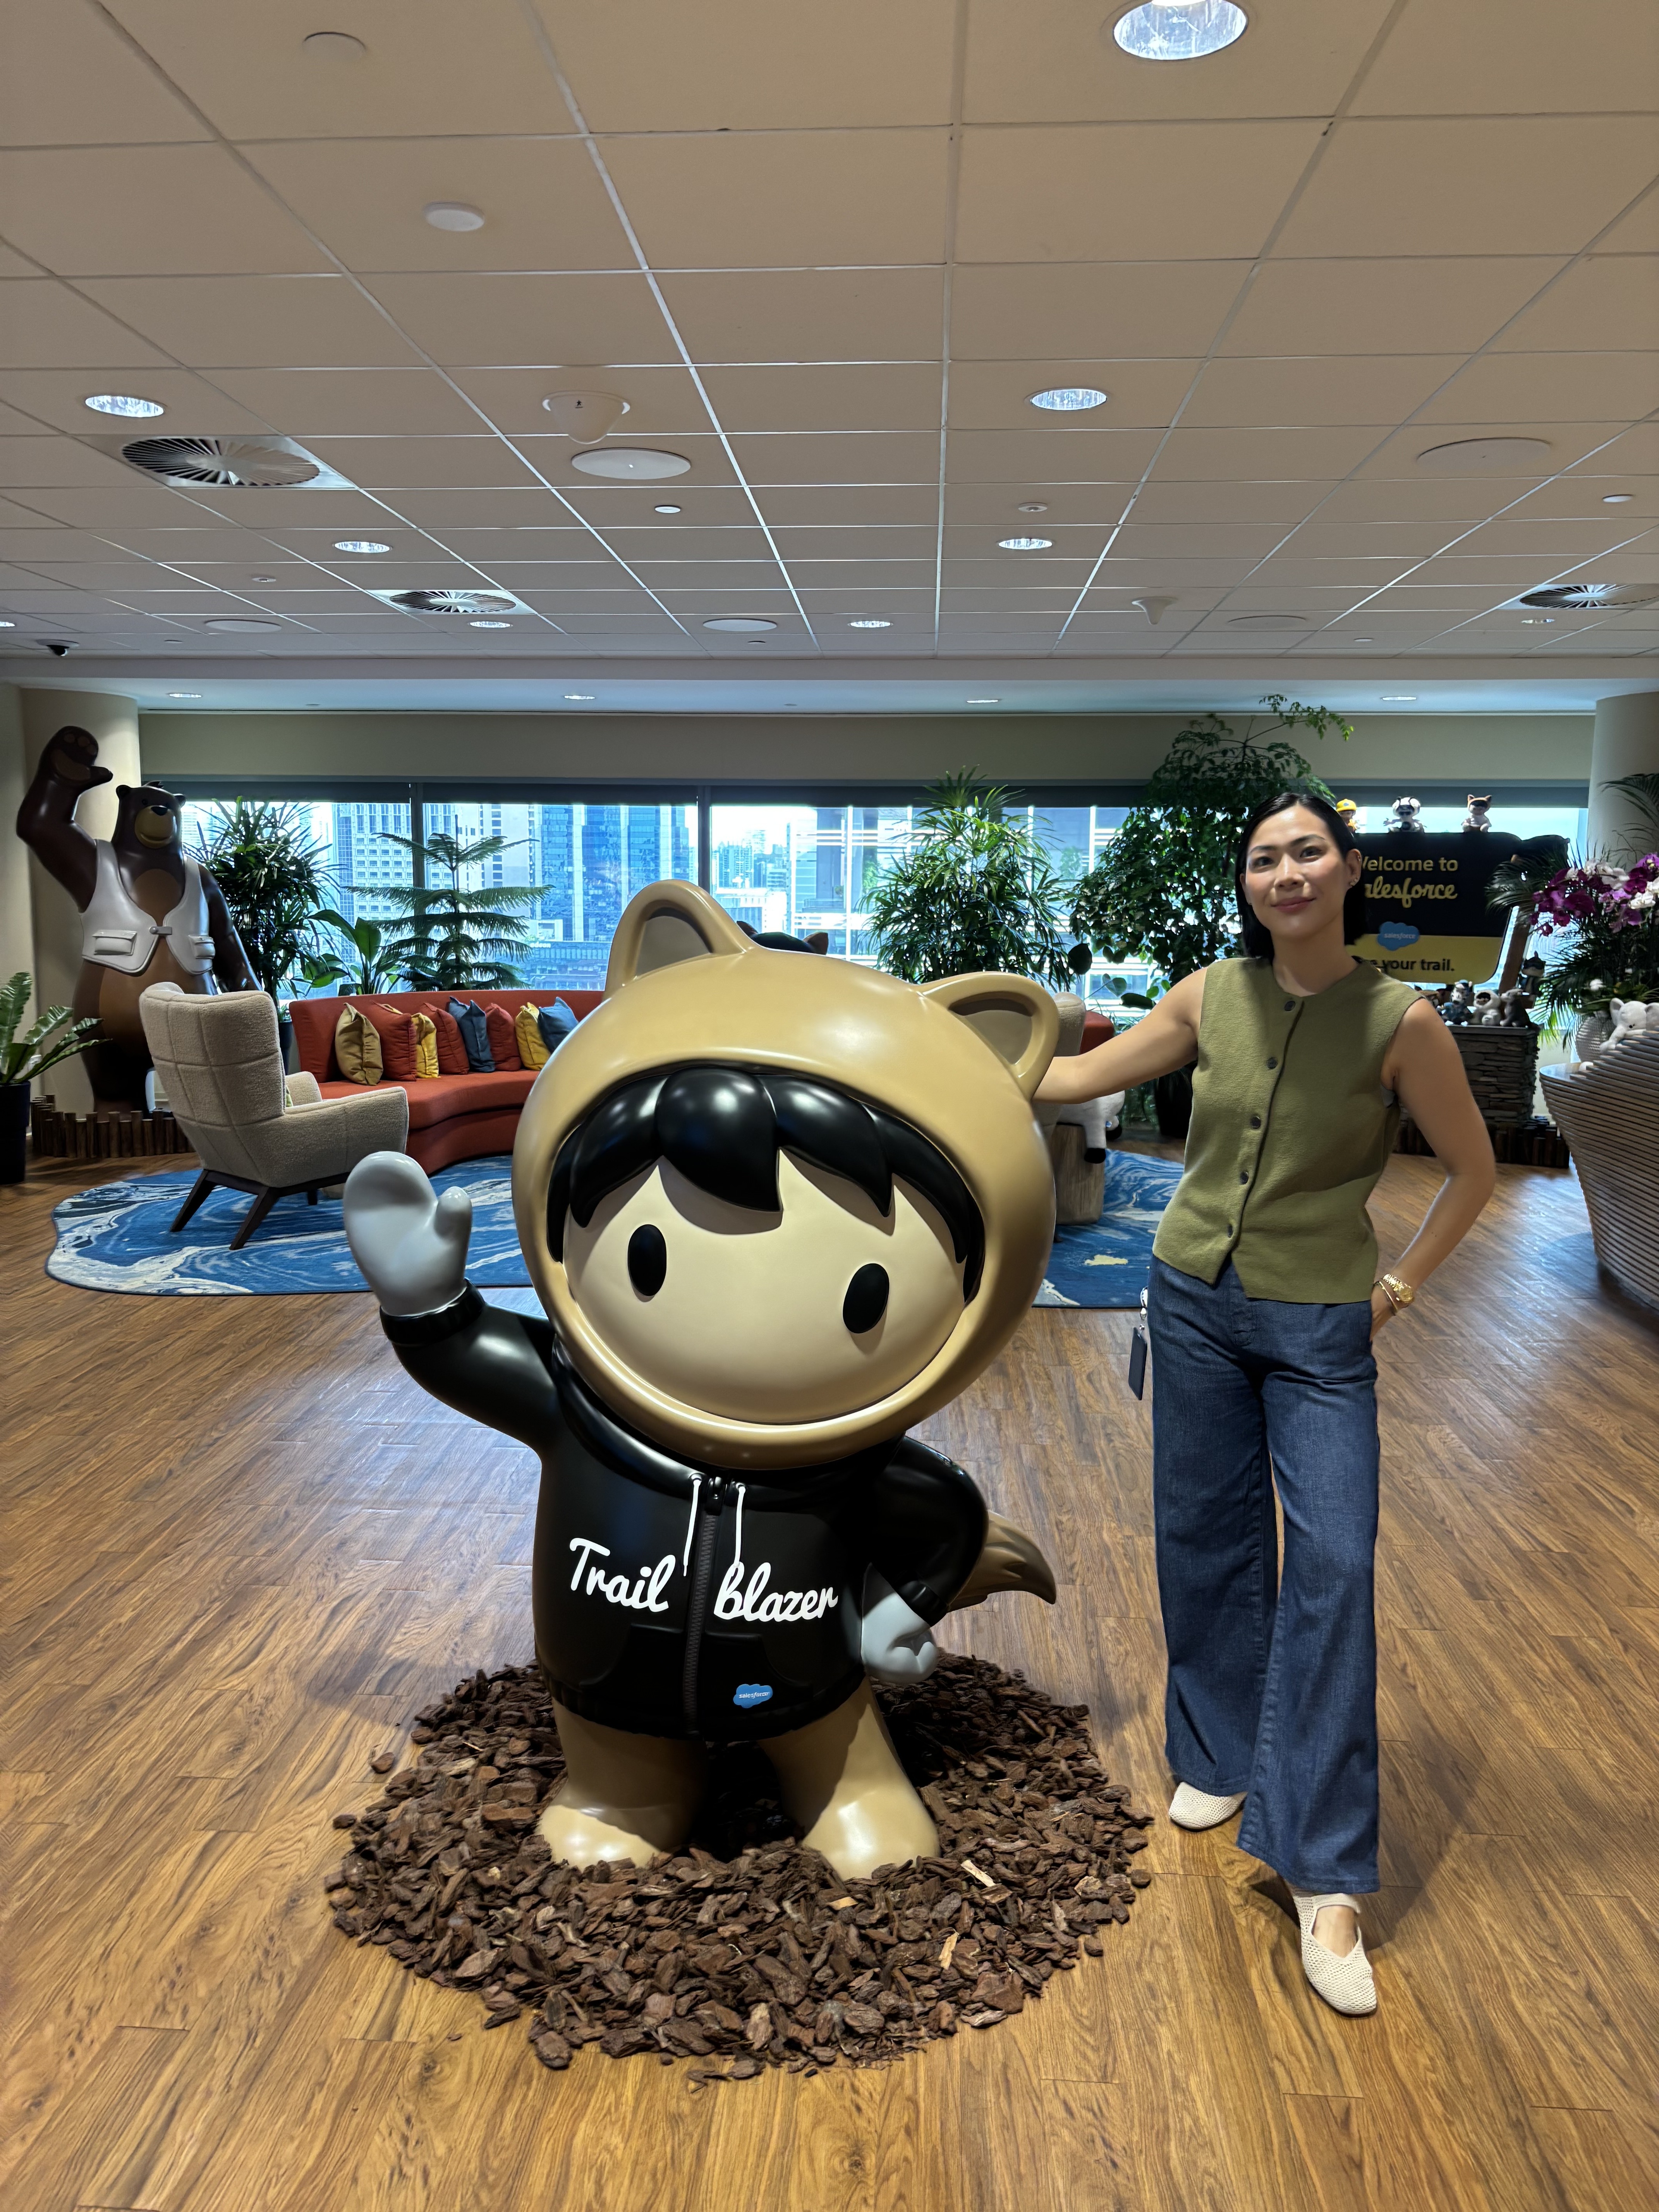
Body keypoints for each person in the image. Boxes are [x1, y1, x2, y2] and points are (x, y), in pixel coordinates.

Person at [1036, 790, 1495, 2014]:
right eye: (1260, 859)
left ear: (1347, 871)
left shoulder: (1402, 1020)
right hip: (1186, 1301)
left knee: (1334, 1562)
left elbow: (1472, 1168)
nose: (1283, 873)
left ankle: (1325, 1872)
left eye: (1304, 853)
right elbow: (1075, 1072)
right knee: (1201, 1534)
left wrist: (1395, 1288)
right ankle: (1217, 1753)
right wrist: (951, 1035)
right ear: (1245, 884)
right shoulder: (1207, 996)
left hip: (1320, 1329)